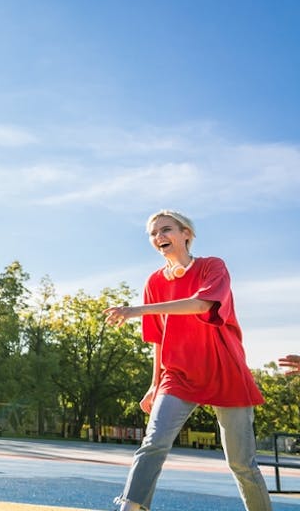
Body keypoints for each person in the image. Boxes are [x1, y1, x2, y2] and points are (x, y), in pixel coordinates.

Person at [103, 210, 271, 511]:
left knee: (241, 463)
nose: (159, 237)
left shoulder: (212, 267)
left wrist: (136, 310)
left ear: (186, 234)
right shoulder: (153, 282)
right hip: (178, 374)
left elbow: (202, 304)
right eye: (153, 234)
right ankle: (129, 508)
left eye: (166, 230)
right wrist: (154, 384)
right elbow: (158, 338)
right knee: (153, 444)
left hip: (225, 370)